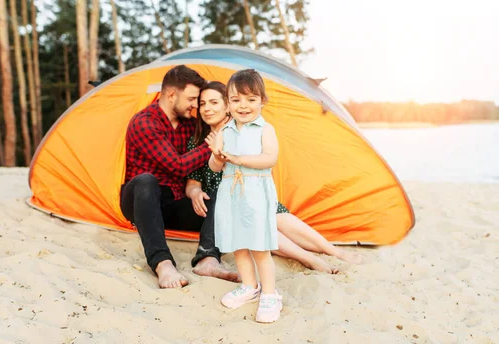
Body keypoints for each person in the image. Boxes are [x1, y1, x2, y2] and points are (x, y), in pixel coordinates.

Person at [186, 81, 362, 276]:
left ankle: (333, 250)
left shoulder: (244, 130)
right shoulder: (196, 140)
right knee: (258, 221)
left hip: (253, 192)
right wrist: (194, 192)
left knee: (277, 215)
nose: (207, 108)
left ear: (227, 105)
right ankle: (309, 258)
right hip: (227, 203)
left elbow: (263, 160)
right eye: (202, 104)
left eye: (213, 102)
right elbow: (193, 181)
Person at [120, 65, 240, 289]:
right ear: (172, 94)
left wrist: (195, 191)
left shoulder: (189, 126)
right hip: (141, 203)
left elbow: (222, 128)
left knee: (220, 192)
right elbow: (178, 166)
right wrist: (215, 142)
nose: (196, 106)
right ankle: (162, 264)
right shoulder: (145, 122)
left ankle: (207, 258)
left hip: (174, 203)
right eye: (193, 99)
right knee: (146, 181)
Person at [204, 69, 282, 323]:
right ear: (228, 103)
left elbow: (270, 157)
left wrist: (239, 159)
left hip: (255, 191)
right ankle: (250, 286)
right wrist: (217, 155)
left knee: (259, 245)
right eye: (236, 100)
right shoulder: (225, 131)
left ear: (262, 101)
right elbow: (214, 167)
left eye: (251, 99)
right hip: (231, 192)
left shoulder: (265, 129)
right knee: (238, 243)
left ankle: (270, 293)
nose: (243, 106)